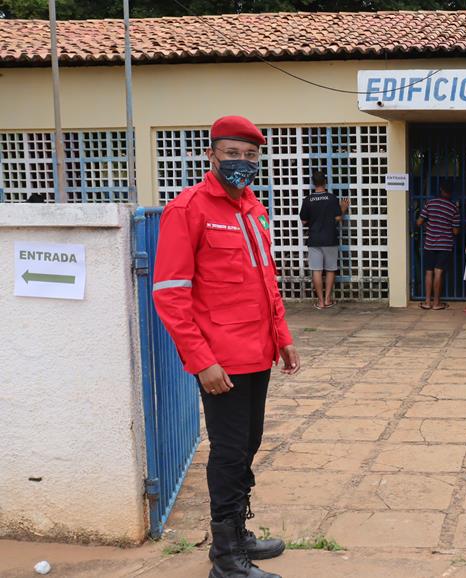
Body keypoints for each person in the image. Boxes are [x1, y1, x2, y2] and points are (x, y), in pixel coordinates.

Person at [153, 116, 300, 578]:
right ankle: (226, 559)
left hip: (258, 352)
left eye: (251, 155)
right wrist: (202, 362)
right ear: (211, 155)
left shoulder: (253, 209)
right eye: (232, 153)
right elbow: (170, 293)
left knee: (248, 445)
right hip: (221, 361)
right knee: (230, 450)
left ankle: (239, 536)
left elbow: (265, 282)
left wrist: (284, 337)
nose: (243, 162)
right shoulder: (188, 210)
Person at [299, 170, 349, 310]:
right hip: (330, 238)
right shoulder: (332, 198)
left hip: (314, 239)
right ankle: (327, 300)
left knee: (316, 270)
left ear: (313, 183)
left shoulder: (308, 200)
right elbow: (338, 218)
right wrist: (343, 209)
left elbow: (303, 221)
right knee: (330, 269)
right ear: (325, 181)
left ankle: (320, 302)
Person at [416, 182, 460, 310]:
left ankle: (427, 302)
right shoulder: (453, 208)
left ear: (440, 190)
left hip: (429, 243)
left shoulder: (430, 203)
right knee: (438, 273)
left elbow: (419, 222)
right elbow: (456, 231)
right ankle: (436, 303)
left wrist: (428, 226)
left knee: (428, 273)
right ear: (451, 193)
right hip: (445, 245)